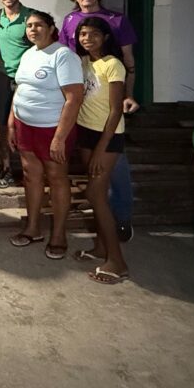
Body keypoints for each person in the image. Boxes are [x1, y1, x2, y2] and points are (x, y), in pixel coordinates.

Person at [58, 0, 138, 242]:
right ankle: (100, 205)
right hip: (85, 111)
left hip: (109, 107)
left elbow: (128, 60)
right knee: (96, 174)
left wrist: (129, 94)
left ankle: (121, 218)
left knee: (116, 167)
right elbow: (66, 58)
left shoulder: (117, 20)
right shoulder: (70, 20)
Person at [8, 10, 84, 260]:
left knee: (57, 178)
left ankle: (59, 235)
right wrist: (11, 122)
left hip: (52, 128)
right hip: (25, 125)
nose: (33, 29)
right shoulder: (29, 54)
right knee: (31, 176)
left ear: (51, 28)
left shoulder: (63, 56)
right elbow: (21, 88)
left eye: (39, 25)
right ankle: (33, 228)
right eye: (29, 26)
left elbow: (74, 99)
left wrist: (60, 138)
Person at [73, 17, 130, 284]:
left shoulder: (113, 64)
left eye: (94, 34)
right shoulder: (84, 62)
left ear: (105, 37)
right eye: (83, 34)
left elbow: (116, 110)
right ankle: (100, 248)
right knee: (99, 195)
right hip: (85, 131)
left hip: (107, 135)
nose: (87, 38)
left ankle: (117, 261)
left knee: (95, 193)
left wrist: (100, 149)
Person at [0, 0, 34, 189]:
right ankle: (6, 168)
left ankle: (29, 169)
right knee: (3, 126)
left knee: (26, 124)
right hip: (2, 77)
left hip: (27, 79)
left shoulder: (31, 17)